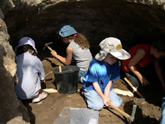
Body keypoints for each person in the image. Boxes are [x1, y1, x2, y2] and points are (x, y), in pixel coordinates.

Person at [82, 37, 131, 110]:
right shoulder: (95, 65)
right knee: (98, 106)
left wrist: (106, 96)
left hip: (105, 86)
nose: (115, 60)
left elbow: (110, 81)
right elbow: (94, 83)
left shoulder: (115, 64)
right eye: (112, 58)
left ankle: (100, 97)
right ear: (104, 54)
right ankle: (86, 94)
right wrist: (103, 97)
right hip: (92, 87)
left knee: (115, 104)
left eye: (117, 58)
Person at [14, 37, 48, 103]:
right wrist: (42, 79)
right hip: (32, 94)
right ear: (32, 50)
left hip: (17, 94)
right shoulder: (36, 59)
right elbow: (43, 78)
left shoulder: (15, 59)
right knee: (38, 74)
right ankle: (37, 96)